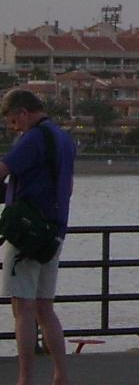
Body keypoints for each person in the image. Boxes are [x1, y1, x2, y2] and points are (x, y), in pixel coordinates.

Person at [1, 89, 76, 385]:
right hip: (54, 232)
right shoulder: (64, 139)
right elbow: (67, 187)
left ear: (22, 112)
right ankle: (60, 375)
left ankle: (25, 379)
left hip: (26, 234)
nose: (13, 127)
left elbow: (3, 169)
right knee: (46, 308)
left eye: (12, 121)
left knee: (23, 309)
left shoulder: (32, 138)